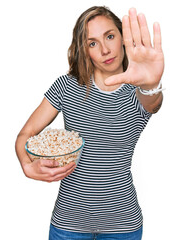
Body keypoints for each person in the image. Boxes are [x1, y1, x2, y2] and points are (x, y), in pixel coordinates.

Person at [15, 6, 164, 240]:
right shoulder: (66, 86)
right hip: (68, 222)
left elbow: (152, 100)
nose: (105, 49)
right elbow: (26, 134)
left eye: (110, 36)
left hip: (122, 224)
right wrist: (26, 165)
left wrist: (151, 83)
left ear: (123, 38)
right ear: (84, 51)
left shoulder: (139, 91)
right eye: (92, 43)